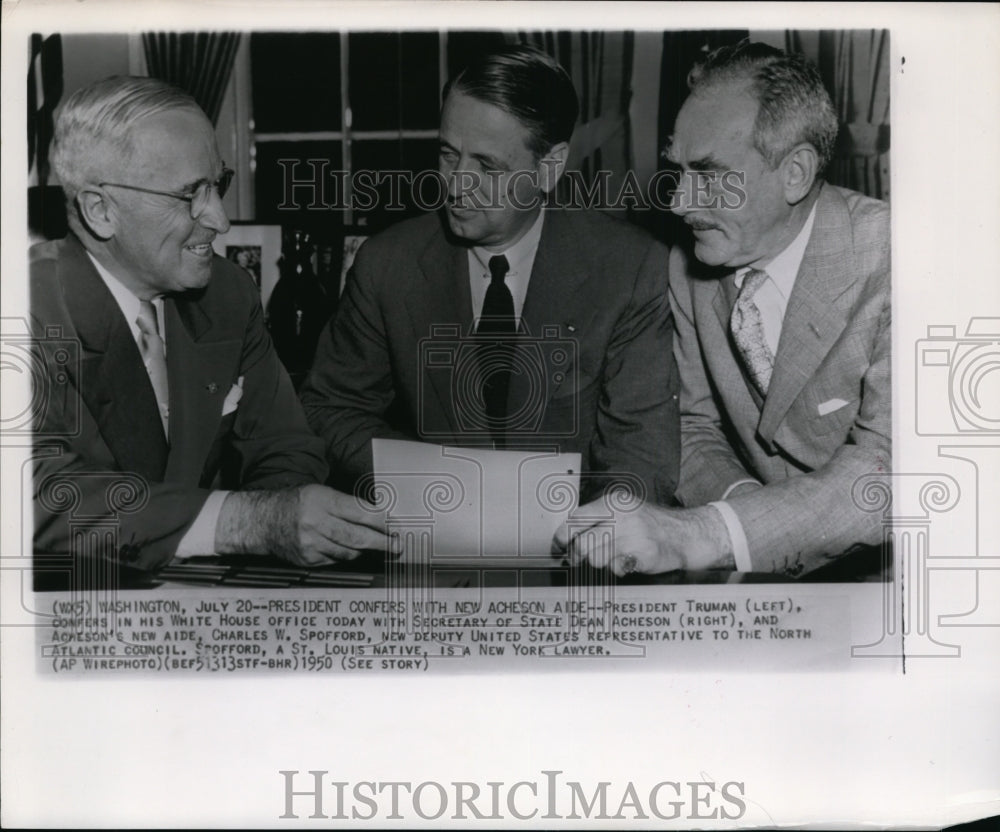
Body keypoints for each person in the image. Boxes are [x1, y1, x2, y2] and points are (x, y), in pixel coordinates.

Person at [30, 76, 392, 582]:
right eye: (188, 196)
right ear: (100, 211)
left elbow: (287, 446)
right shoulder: (27, 308)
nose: (220, 220)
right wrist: (248, 523)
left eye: (216, 185)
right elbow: (36, 493)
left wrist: (276, 532)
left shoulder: (226, 293)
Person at [557, 42, 890, 578]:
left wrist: (708, 533)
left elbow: (890, 476)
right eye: (678, 170)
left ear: (796, 173)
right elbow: (691, 424)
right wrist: (742, 518)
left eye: (708, 174)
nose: (678, 202)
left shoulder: (900, 261)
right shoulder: (689, 267)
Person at [300, 45, 679, 505]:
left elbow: (639, 459)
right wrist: (436, 485)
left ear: (550, 167)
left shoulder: (632, 270)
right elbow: (330, 408)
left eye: (486, 165)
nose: (457, 182)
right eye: (447, 154)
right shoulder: (387, 264)